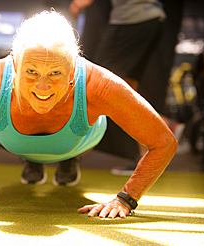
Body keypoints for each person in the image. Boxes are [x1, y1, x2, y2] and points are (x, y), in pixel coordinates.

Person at [0, 11, 177, 219]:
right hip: (10, 137)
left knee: (68, 141)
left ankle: (70, 157)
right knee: (24, 137)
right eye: (31, 72)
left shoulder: (99, 85)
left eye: (56, 73)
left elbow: (164, 142)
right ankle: (31, 157)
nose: (43, 87)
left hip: (80, 137)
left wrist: (125, 199)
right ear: (14, 64)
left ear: (73, 71)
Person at [70, 0, 185, 174]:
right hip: (152, 18)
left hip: (132, 20)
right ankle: (151, 148)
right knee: (129, 88)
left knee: (95, 83)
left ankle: (68, 158)